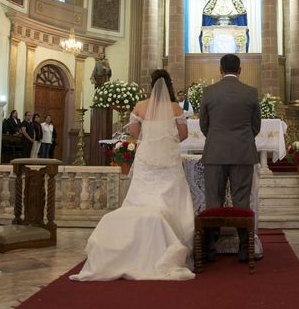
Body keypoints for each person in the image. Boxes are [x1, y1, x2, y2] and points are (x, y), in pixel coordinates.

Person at [70, 69, 193, 281]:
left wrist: (150, 139)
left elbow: (134, 133)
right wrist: (166, 141)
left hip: (147, 158)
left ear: (151, 84)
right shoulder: (175, 108)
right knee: (172, 196)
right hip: (168, 157)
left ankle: (136, 245)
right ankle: (170, 240)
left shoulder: (140, 107)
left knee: (142, 194)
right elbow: (183, 135)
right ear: (169, 85)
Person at [199, 54, 262, 263]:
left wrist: (217, 138)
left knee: (213, 200)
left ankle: (209, 249)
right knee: (241, 201)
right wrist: (241, 140)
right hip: (242, 153)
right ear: (240, 70)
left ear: (220, 70)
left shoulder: (209, 92)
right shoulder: (251, 93)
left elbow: (203, 125)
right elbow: (256, 127)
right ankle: (245, 248)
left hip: (215, 152)